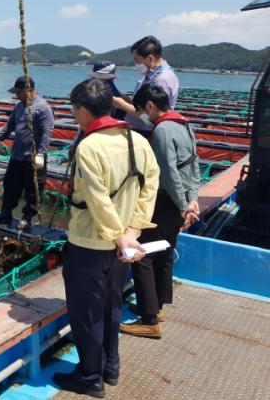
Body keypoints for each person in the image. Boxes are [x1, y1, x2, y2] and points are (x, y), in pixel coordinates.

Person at [53, 79, 159, 398]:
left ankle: (90, 376)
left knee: (86, 312)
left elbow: (97, 199)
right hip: (122, 246)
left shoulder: (89, 146)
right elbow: (150, 187)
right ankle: (110, 366)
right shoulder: (137, 140)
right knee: (112, 306)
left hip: (90, 243)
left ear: (83, 110)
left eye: (74, 110)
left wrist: (117, 236)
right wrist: (132, 232)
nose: (75, 116)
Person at [120, 84, 200, 339]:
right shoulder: (184, 123)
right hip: (180, 202)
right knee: (164, 252)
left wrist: (182, 205)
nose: (142, 116)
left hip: (165, 201)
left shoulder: (163, 129)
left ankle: (150, 320)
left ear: (150, 106)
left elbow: (168, 172)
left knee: (141, 255)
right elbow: (194, 163)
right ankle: (158, 306)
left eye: (142, 110)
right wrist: (192, 199)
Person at [0, 76, 54, 230]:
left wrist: (41, 153)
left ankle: (27, 218)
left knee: (33, 190)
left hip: (33, 158)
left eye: (18, 92)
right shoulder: (19, 106)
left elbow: (47, 132)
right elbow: (10, 125)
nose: (16, 95)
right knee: (10, 186)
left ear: (28, 90)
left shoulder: (43, 108)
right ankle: (5, 213)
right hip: (17, 156)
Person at [112, 36, 180, 136]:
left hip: (146, 133)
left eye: (137, 60)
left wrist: (122, 104)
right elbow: (142, 106)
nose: (136, 65)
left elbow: (149, 119)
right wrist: (123, 98)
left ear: (149, 59)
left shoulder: (161, 80)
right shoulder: (151, 74)